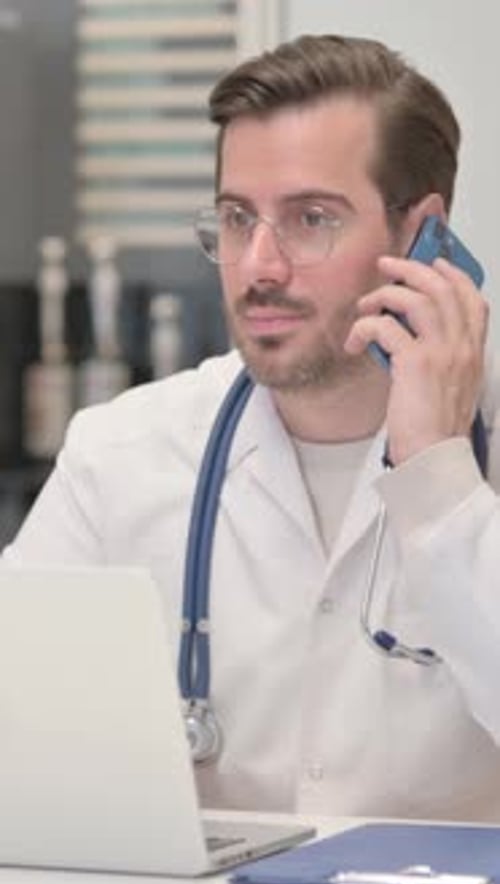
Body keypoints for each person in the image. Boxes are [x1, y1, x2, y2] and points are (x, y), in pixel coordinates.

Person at [4, 33, 500, 821]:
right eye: (237, 219)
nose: (259, 265)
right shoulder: (122, 457)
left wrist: (439, 478)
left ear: (420, 234)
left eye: (311, 218)